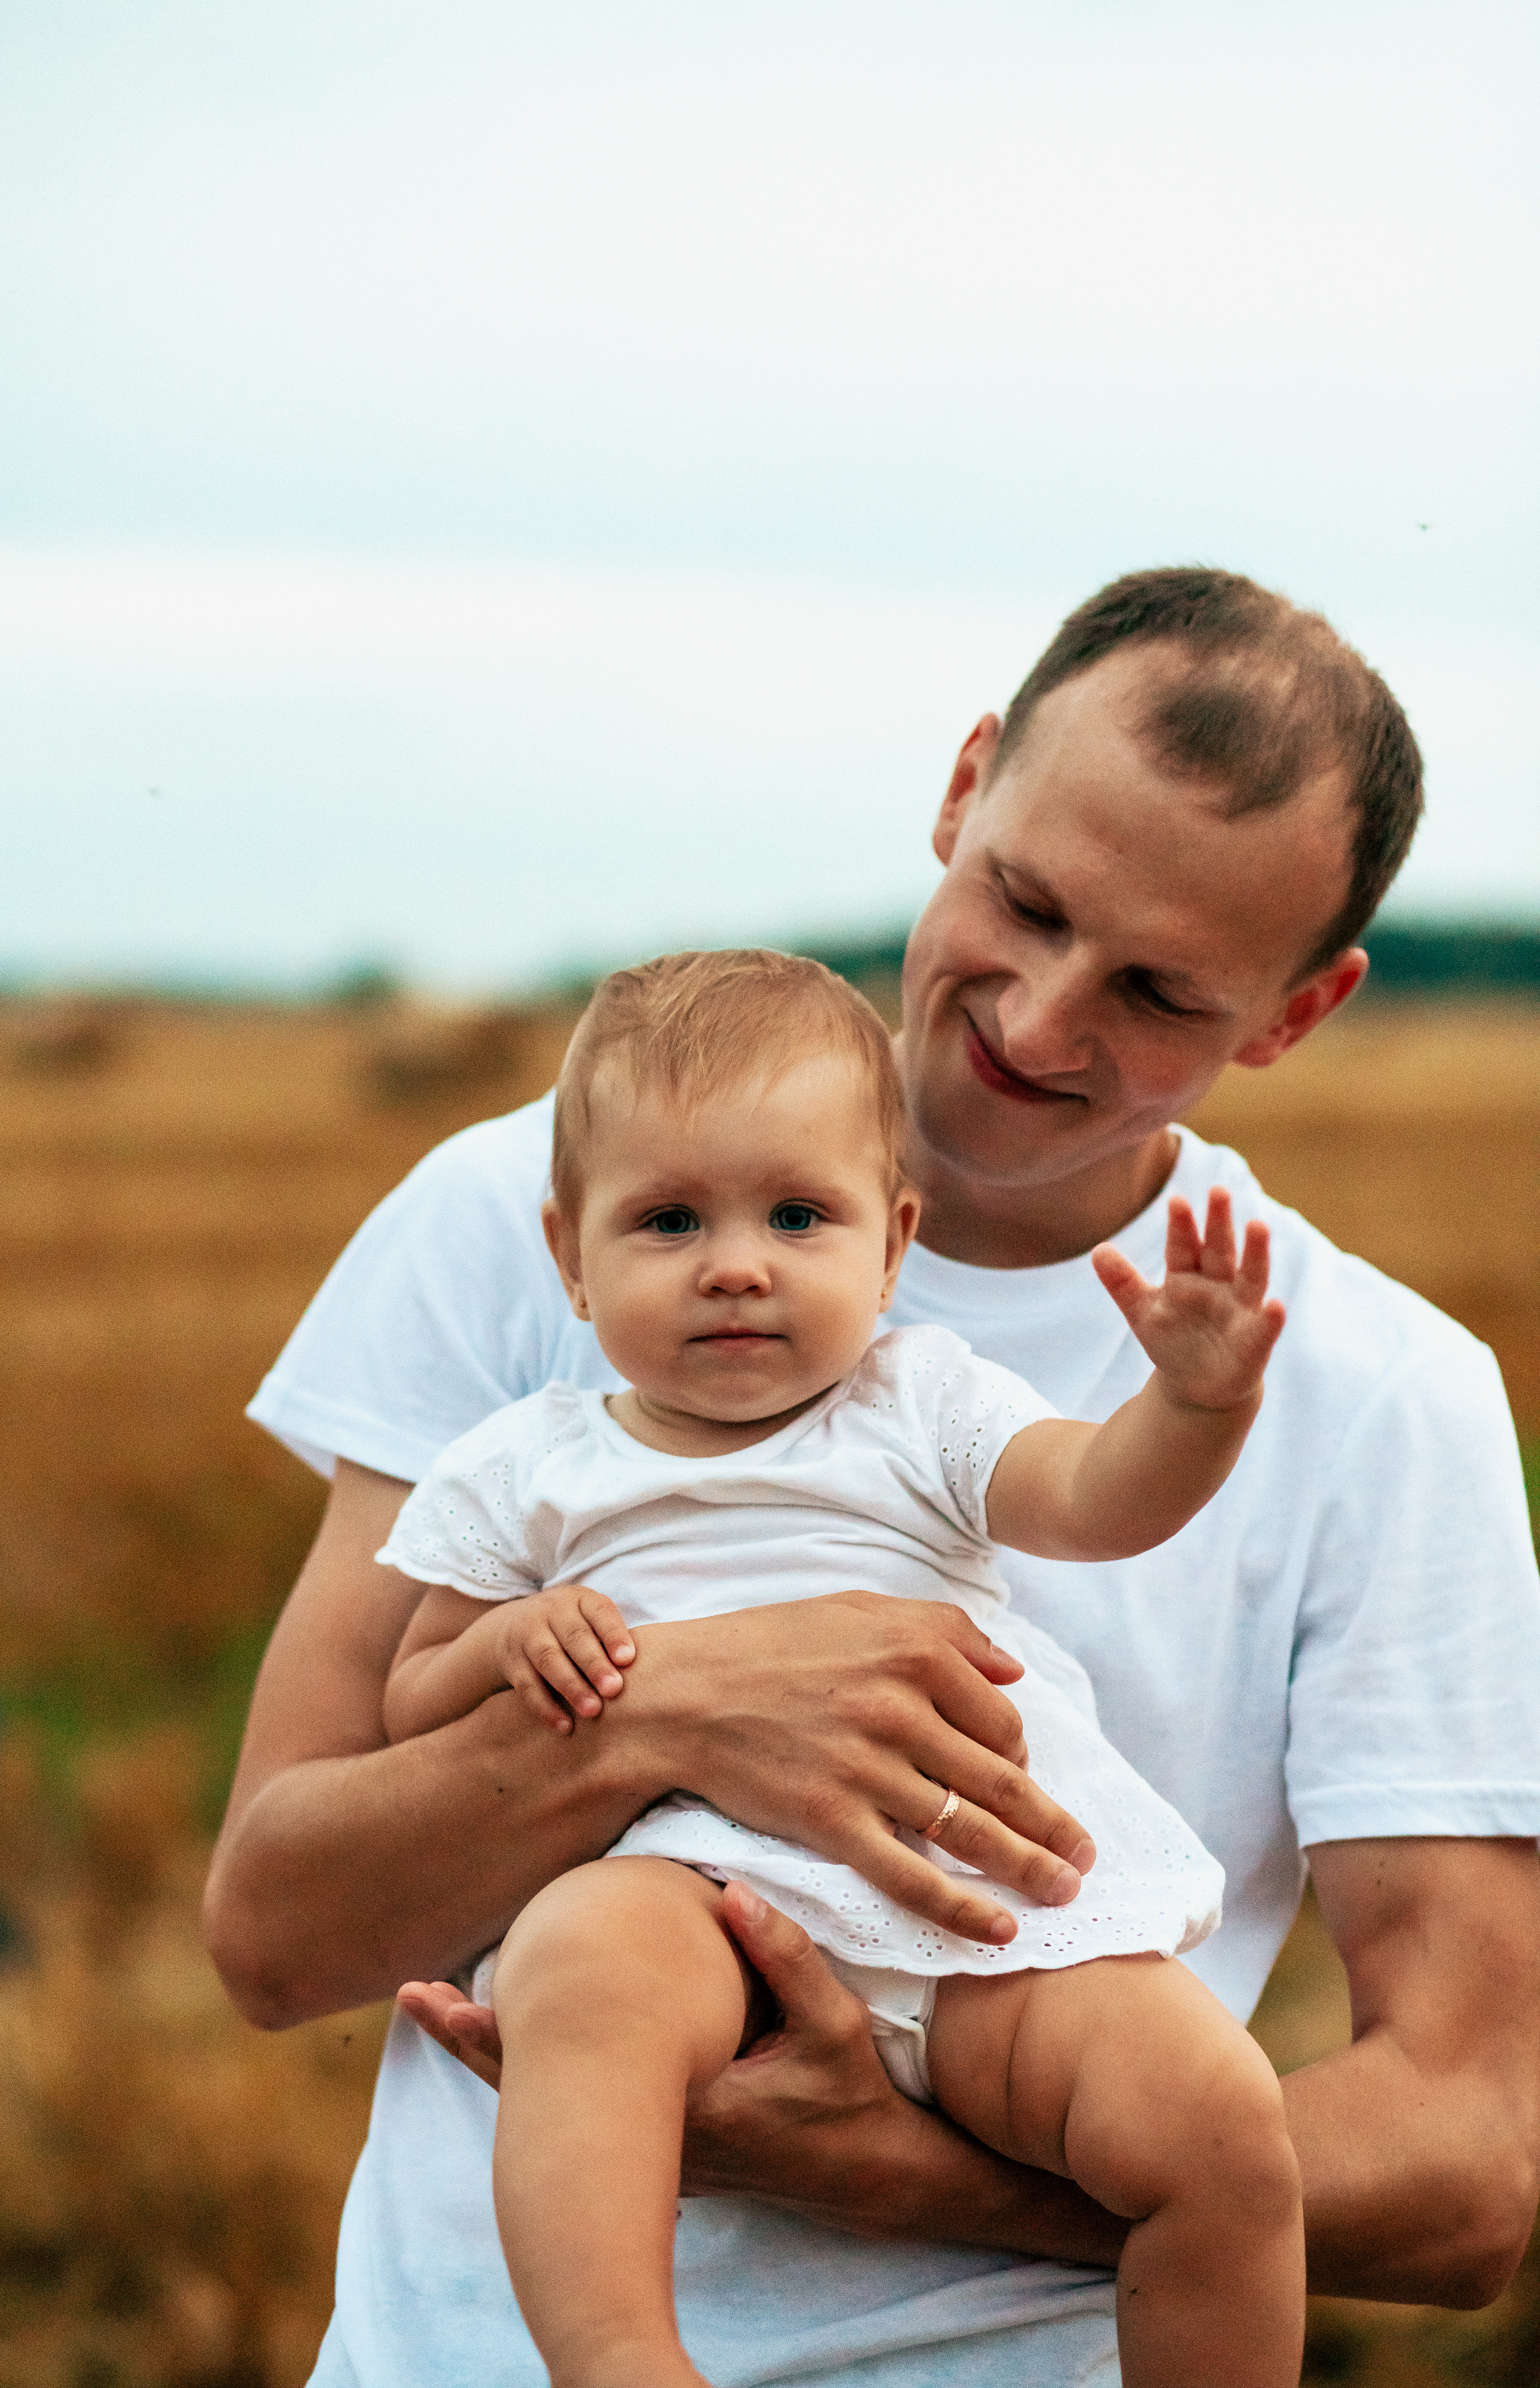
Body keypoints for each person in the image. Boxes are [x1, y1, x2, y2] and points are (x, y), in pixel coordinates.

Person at [206, 567, 1540, 2388]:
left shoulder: (1380, 1399)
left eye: (1158, 992)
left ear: (1295, 1015)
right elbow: (274, 1934)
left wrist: (917, 2176)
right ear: (964, 784)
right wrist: (660, 1714)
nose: (1044, 1022)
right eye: (1026, 902)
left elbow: (1477, 2168)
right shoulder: (537, 1221)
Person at [379, 947, 1301, 2388]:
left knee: (1223, 2121)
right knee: (581, 1972)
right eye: (669, 1219)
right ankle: (623, 2358)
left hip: (991, 1919)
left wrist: (1197, 1404)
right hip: (699, 1910)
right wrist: (506, 1639)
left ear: (891, 1243)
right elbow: (414, 1692)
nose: (736, 1263)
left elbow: (1095, 1498)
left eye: (799, 1216)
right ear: (570, 1256)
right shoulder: (529, 1469)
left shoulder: (922, 1407)